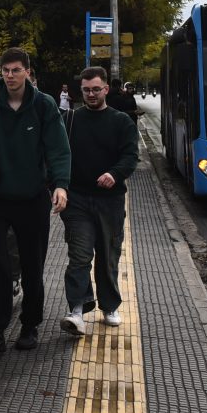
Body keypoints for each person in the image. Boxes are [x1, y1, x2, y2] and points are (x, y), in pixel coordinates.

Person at [0, 47, 71, 354]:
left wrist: (60, 185)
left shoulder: (44, 105)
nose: (10, 76)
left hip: (33, 198)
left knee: (32, 264)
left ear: (27, 71)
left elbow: (58, 148)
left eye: (16, 70)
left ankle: (29, 325)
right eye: (5, 71)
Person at [59, 65, 141, 337]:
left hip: (110, 202)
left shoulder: (121, 122)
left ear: (106, 89)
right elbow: (60, 156)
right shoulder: (70, 120)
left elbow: (131, 157)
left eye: (96, 89)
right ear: (79, 90)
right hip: (78, 201)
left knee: (107, 257)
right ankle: (77, 310)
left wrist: (114, 174)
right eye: (86, 90)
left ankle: (109, 305)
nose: (91, 94)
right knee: (79, 257)